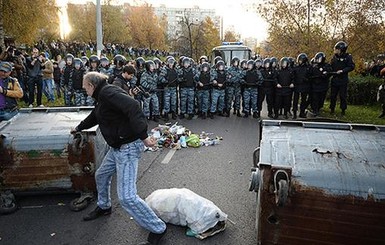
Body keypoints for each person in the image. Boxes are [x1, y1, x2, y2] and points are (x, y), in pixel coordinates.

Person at [71, 72, 167, 245]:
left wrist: (144, 136)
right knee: (101, 175)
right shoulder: (103, 96)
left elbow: (134, 106)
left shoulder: (108, 93)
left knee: (127, 197)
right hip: (117, 147)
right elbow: (96, 115)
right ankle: (104, 206)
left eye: (85, 87)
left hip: (128, 147)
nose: (84, 90)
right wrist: (79, 127)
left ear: (92, 85)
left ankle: (158, 228)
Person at [330, 41, 355, 115]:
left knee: (342, 96)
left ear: (341, 49)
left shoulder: (348, 57)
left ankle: (343, 110)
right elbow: (331, 66)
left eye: (337, 49)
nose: (335, 51)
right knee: (333, 95)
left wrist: (343, 71)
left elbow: (351, 67)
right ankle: (332, 109)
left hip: (343, 80)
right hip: (335, 79)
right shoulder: (334, 57)